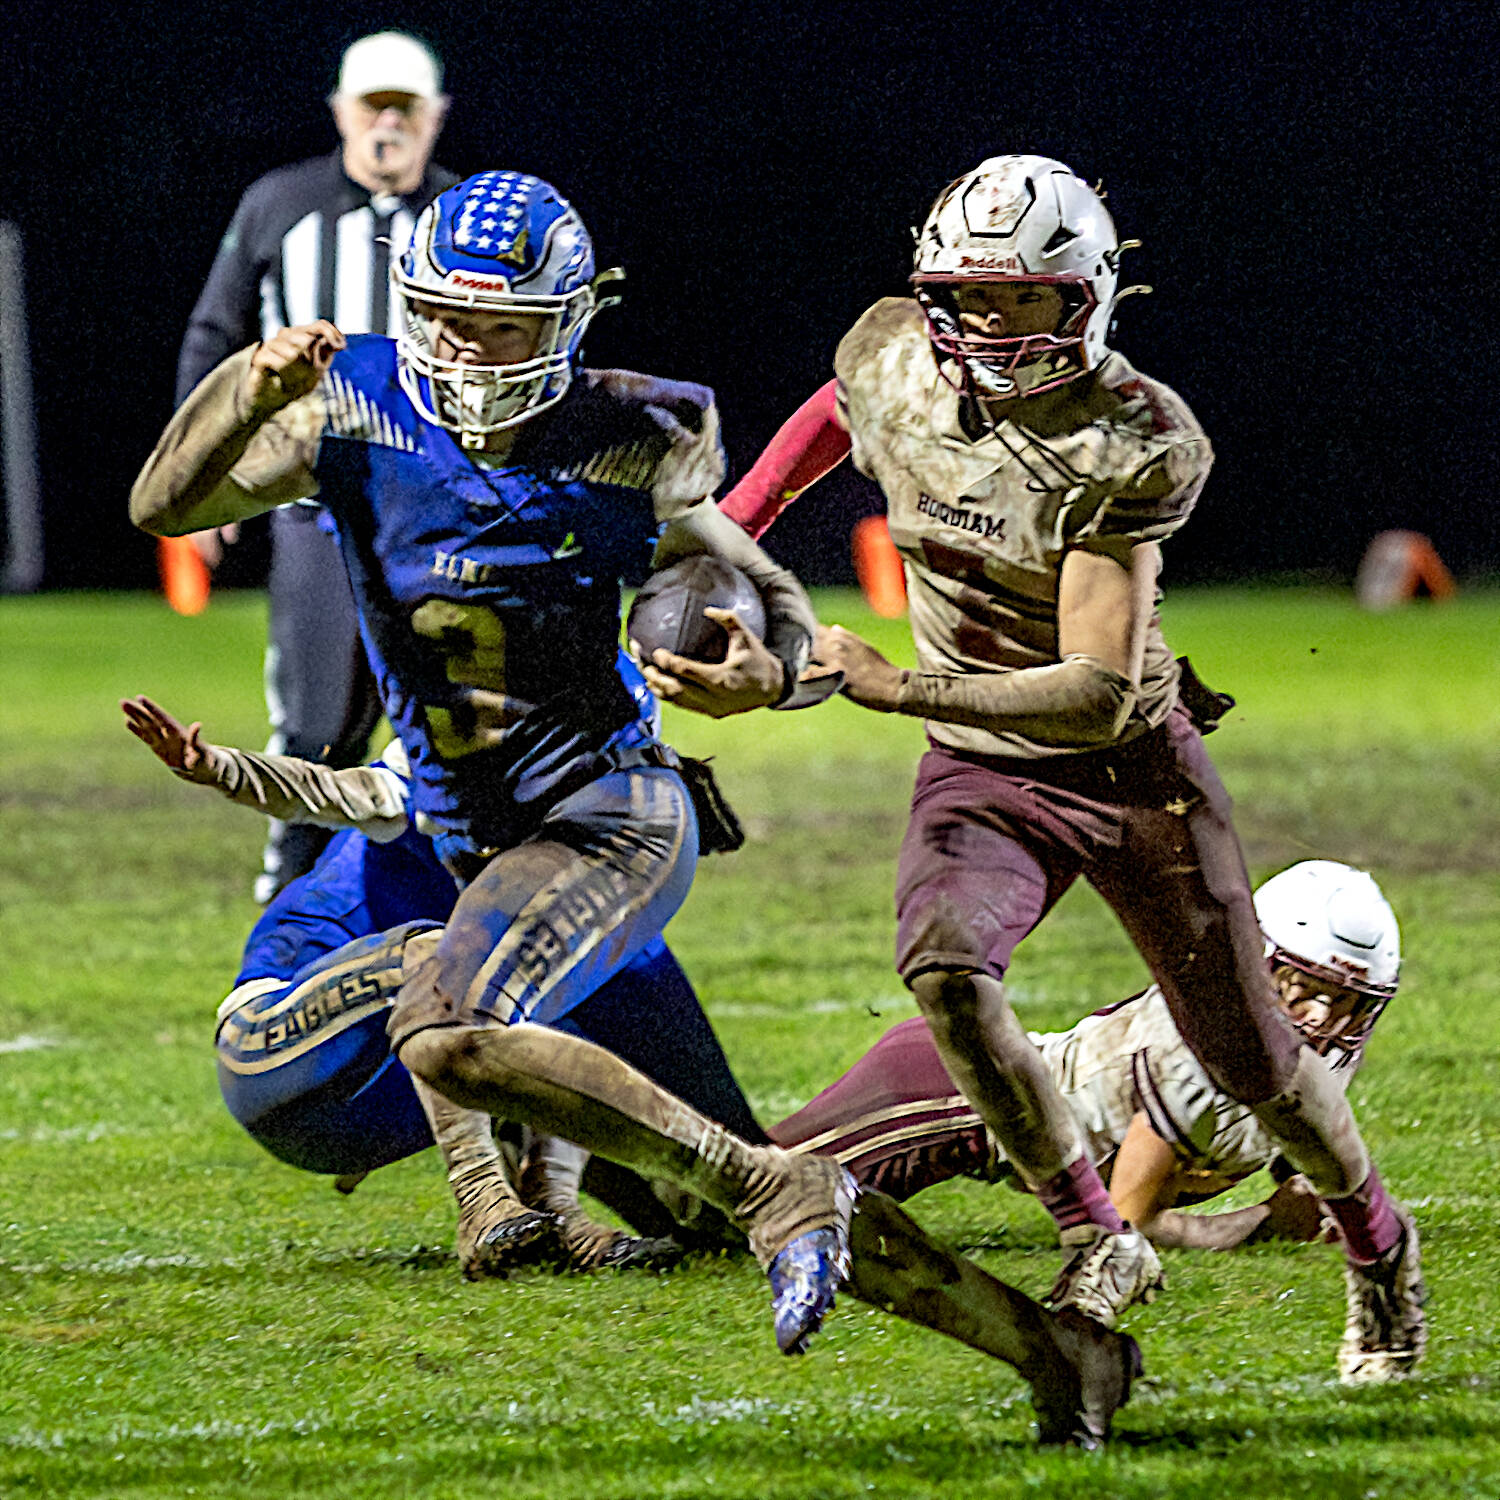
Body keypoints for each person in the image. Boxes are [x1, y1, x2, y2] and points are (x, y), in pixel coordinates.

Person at [130, 171, 1144, 1446]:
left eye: (502, 327)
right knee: (672, 1187)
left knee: (453, 1021)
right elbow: (158, 508)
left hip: (607, 821)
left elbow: (759, 589)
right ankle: (1050, 1352)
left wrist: (761, 678)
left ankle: (715, 1188)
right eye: (444, 319)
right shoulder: (355, 412)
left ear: (566, 324)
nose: (467, 351)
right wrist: (248, 384)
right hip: (433, 900)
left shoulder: (634, 436)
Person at [713, 155, 1425, 1383]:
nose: (992, 325)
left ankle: (1380, 1246)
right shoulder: (898, 356)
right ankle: (1101, 1236)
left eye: (1026, 299)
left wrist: (894, 685)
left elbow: (1092, 684)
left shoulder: (1131, 438)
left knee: (1253, 1061)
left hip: (1126, 769)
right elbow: (845, 410)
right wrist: (741, 524)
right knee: (944, 969)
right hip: (982, 769)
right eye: (970, 297)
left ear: (1087, 296)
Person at [176, 31, 458, 902]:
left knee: (447, 712)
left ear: (434, 118)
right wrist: (209, 465)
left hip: (441, 507)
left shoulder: (467, 215)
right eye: (372, 106)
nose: (386, 125)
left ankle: (435, 884)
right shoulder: (281, 204)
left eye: (404, 109)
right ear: (340, 111)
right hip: (316, 507)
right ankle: (294, 883)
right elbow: (215, 338)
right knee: (316, 716)